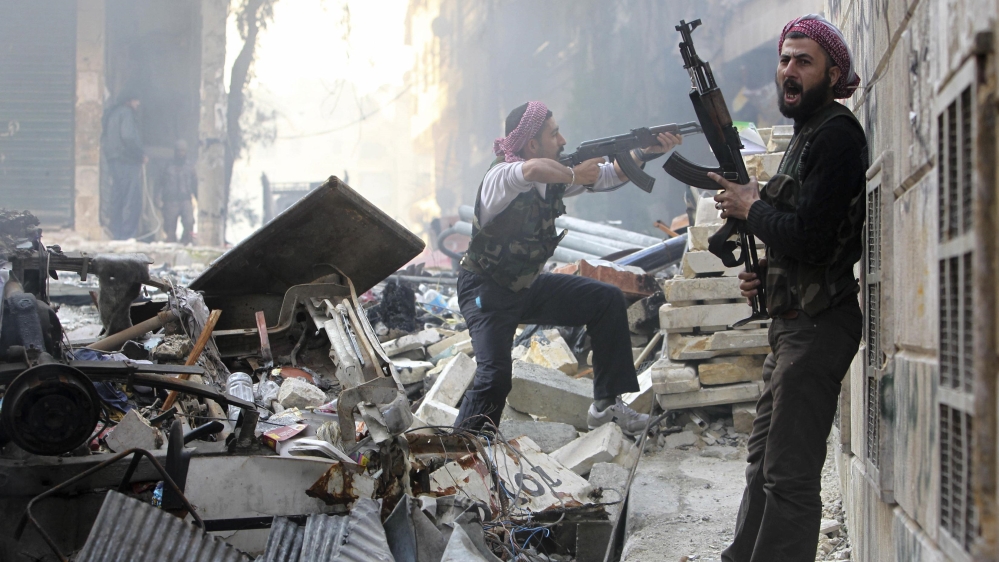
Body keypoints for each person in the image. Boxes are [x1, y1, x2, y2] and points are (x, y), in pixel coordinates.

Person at [708, 15, 868, 562]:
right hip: (793, 325)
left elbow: (816, 240)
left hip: (820, 327)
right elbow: (799, 239)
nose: (789, 72)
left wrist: (753, 208)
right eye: (784, 60)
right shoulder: (807, 134)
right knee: (762, 464)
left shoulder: (837, 135)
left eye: (804, 61)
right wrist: (766, 275)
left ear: (831, 72)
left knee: (790, 477)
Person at [454, 101, 682, 435]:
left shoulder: (554, 180)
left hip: (525, 286)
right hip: (485, 291)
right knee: (495, 375)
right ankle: (460, 451)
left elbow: (608, 176)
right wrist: (576, 173)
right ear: (532, 145)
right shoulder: (501, 176)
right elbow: (529, 172)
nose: (562, 141)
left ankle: (606, 406)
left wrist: (645, 152)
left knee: (605, 300)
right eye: (554, 133)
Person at [101, 91, 146, 240]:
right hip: (126, 161)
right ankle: (128, 236)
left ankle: (117, 234)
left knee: (117, 197)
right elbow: (128, 137)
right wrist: (140, 155)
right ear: (130, 101)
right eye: (136, 100)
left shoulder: (112, 114)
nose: (138, 104)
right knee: (131, 199)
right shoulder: (127, 113)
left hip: (114, 160)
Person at [159, 140, 197, 244]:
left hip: (185, 200)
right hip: (171, 201)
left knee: (189, 223)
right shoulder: (167, 167)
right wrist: (158, 199)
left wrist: (197, 199)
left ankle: (185, 242)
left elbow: (194, 184)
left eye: (183, 151)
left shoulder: (190, 167)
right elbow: (160, 183)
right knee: (170, 228)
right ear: (175, 152)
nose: (181, 153)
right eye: (179, 151)